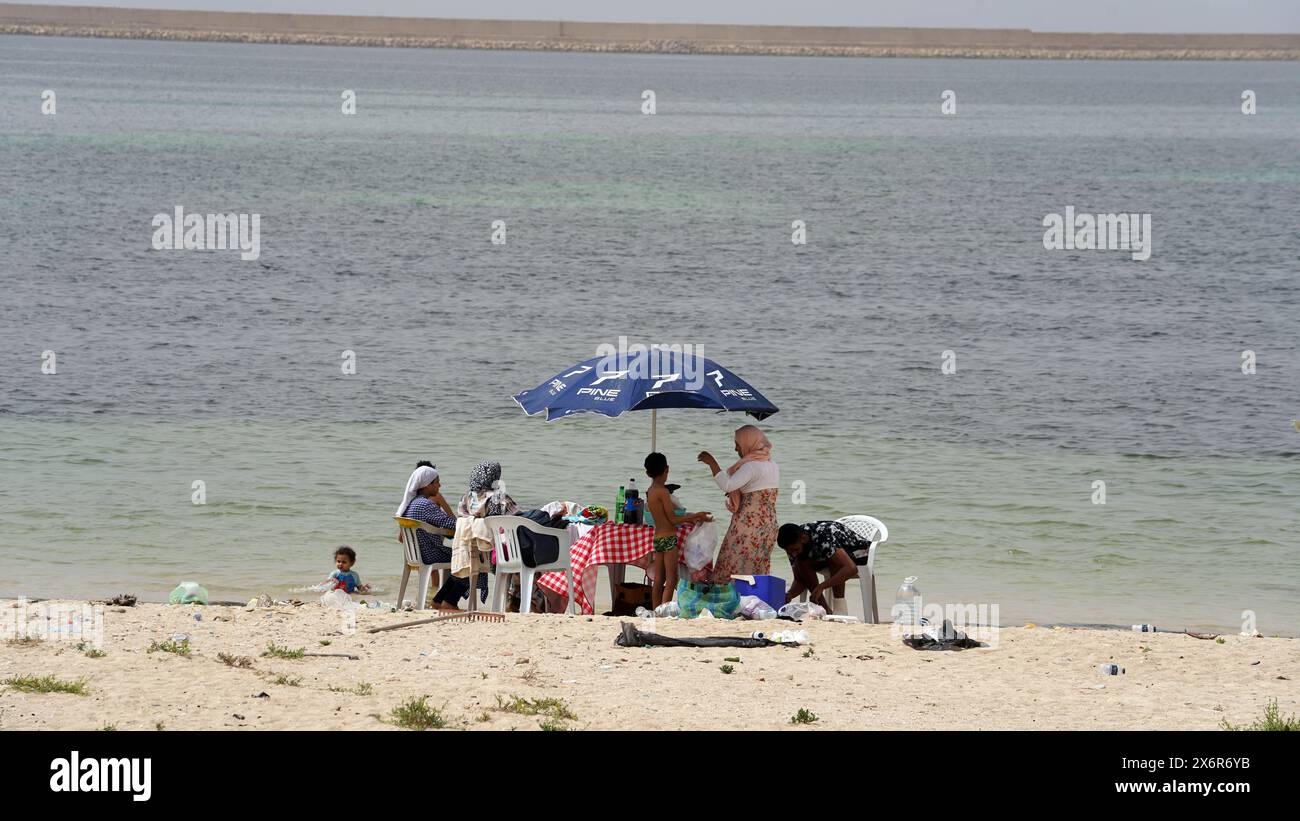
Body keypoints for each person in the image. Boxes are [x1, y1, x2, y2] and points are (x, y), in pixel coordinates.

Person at [698, 425, 779, 582]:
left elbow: (727, 485)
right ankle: (752, 602)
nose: (736, 449)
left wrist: (712, 463)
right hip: (769, 525)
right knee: (756, 571)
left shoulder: (751, 466)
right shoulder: (772, 465)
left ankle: (729, 601)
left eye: (738, 444)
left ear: (749, 443)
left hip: (748, 526)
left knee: (732, 564)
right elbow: (756, 490)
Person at [395, 462, 480, 610]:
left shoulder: (412, 503)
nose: (439, 486)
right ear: (428, 485)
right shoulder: (425, 505)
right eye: (437, 482)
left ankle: (438, 600)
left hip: (416, 555)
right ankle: (450, 601)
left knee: (460, 556)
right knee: (470, 558)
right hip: (430, 554)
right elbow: (452, 524)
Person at [643, 452, 713, 609]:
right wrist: (696, 516)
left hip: (658, 537)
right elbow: (673, 519)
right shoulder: (663, 492)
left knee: (658, 580)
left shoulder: (651, 491)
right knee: (671, 579)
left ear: (648, 473)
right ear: (667, 469)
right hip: (669, 538)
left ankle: (655, 610)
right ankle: (664, 610)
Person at [776, 521, 872, 612]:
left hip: (859, 552)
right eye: (789, 552)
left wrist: (822, 586)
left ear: (803, 538)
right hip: (827, 555)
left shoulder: (822, 535)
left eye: (795, 550)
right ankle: (826, 610)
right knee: (802, 562)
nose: (793, 554)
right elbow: (799, 579)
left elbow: (851, 569)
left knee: (835, 561)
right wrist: (790, 594)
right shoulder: (793, 547)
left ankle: (840, 609)